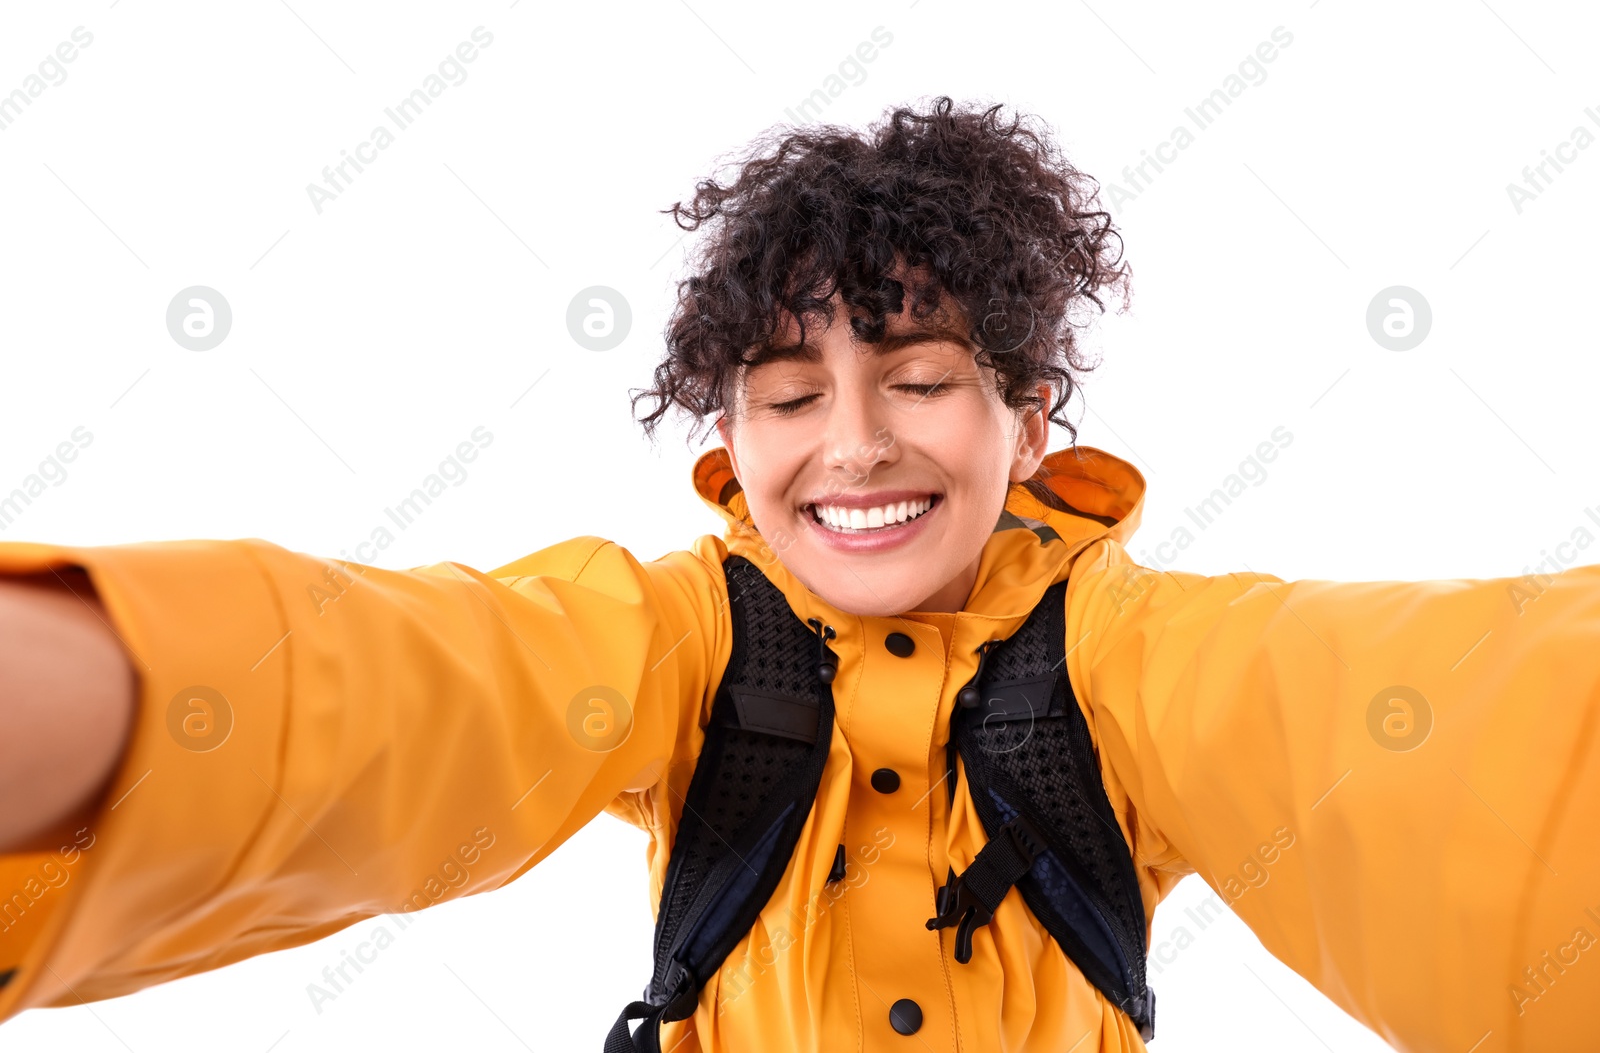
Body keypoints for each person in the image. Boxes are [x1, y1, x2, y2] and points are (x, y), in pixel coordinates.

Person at [1, 96, 1597, 1052]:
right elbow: (402, 689)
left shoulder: (1125, 655)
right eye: (784, 393)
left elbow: (1421, 731)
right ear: (727, 431)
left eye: (917, 379)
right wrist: (87, 696)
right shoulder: (681, 639)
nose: (851, 446)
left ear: (1026, 419)